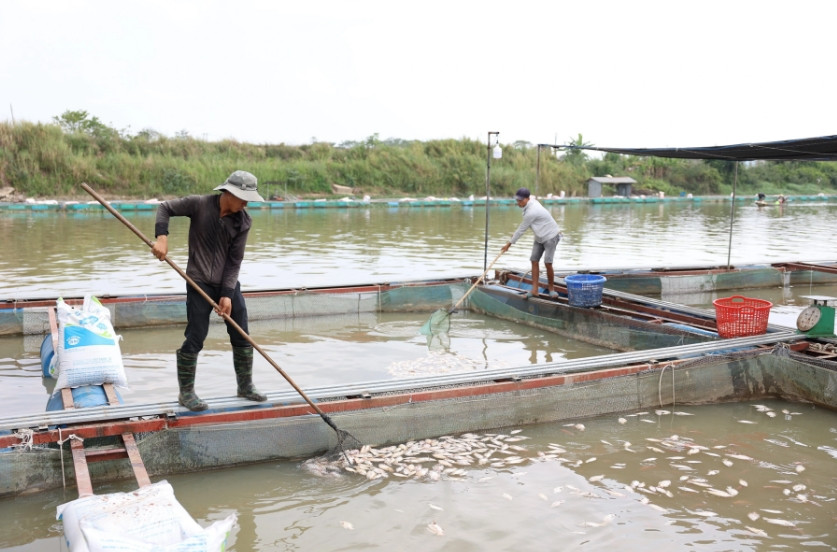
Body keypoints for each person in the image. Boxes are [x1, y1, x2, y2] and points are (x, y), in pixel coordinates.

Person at [152, 170, 267, 411]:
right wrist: (161, 237)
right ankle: (186, 393)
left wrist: (227, 293)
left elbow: (235, 261)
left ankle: (245, 386)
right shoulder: (200, 205)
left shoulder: (243, 221)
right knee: (196, 334)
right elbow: (164, 208)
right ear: (229, 192)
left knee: (242, 332)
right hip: (199, 281)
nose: (246, 203)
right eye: (243, 198)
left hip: (227, 282)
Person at [500, 187, 562, 299]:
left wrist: (508, 244)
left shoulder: (532, 211)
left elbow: (521, 229)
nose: (518, 202)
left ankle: (551, 289)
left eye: (520, 200)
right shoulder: (529, 205)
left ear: (528, 199)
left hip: (551, 236)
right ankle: (534, 290)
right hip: (539, 236)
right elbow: (521, 228)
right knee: (534, 260)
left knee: (548, 263)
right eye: (517, 200)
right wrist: (513, 238)